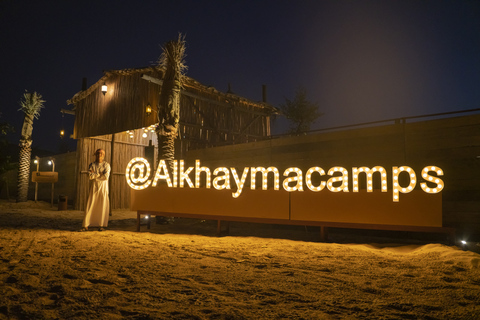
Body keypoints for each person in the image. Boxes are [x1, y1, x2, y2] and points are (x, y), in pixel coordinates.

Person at [80, 149, 110, 231]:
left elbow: (106, 177)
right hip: (94, 187)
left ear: (103, 155)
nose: (99, 155)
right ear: (95, 154)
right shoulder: (92, 165)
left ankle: (101, 225)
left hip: (103, 187)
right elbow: (90, 176)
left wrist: (95, 174)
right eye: (98, 153)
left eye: (101, 153)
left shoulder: (106, 165)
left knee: (102, 205)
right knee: (91, 203)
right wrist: (99, 174)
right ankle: (86, 224)